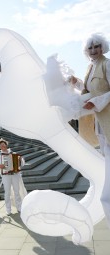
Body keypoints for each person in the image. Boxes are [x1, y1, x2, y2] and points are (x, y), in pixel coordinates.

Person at [69, 33, 110, 228]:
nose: (94, 50)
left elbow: (102, 94)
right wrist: (76, 83)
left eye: (97, 46)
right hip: (99, 122)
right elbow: (87, 91)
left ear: (103, 47)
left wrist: (96, 102)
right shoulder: (90, 67)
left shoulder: (107, 64)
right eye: (90, 48)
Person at [0, 138, 27, 215]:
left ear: (6, 145)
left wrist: (20, 159)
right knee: (7, 192)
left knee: (17, 191)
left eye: (3, 145)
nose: (2, 146)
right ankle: (8, 209)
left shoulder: (14, 154)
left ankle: (19, 207)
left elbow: (22, 163)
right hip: (5, 176)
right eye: (0, 145)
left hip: (15, 175)